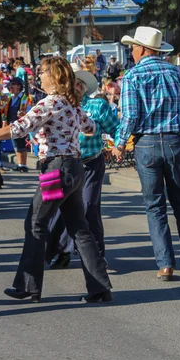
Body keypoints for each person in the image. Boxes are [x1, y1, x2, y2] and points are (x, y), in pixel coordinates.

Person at [0, 56, 113, 303]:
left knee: (36, 222)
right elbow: (90, 127)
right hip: (74, 167)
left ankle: (29, 286)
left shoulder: (49, 103)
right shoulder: (72, 104)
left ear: (53, 76)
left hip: (55, 170)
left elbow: (18, 127)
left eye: (42, 72)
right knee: (79, 228)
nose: (39, 76)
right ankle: (100, 288)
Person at [114, 26, 180, 280]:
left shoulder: (132, 76)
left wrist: (120, 143)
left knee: (155, 206)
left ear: (142, 48)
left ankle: (165, 264)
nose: (131, 51)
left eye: (133, 47)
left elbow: (130, 115)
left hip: (147, 143)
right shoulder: (175, 72)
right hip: (175, 141)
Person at [45, 63, 120, 267]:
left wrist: (119, 145)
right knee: (55, 209)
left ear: (85, 87)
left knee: (88, 207)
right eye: (73, 82)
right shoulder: (54, 104)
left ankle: (97, 257)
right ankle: (60, 252)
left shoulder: (97, 106)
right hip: (59, 164)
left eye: (80, 83)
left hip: (90, 163)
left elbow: (116, 128)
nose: (76, 86)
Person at [2, 77, 32, 172]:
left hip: (21, 124)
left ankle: (23, 164)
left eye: (13, 84)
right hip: (12, 123)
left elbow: (30, 111)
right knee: (16, 145)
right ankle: (20, 164)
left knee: (22, 144)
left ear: (19, 86)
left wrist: (24, 114)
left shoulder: (25, 98)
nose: (11, 87)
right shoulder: (10, 98)